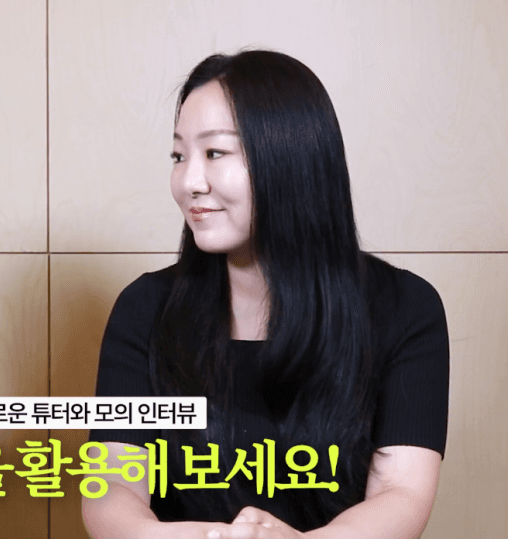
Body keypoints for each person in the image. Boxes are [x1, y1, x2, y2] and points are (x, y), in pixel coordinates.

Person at [82, 50, 448, 539]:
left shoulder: (404, 308)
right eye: (179, 156)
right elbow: (111, 488)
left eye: (214, 153)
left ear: (288, 156)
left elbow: (400, 493)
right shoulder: (144, 309)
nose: (189, 182)